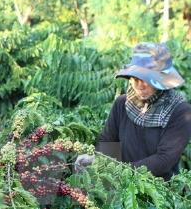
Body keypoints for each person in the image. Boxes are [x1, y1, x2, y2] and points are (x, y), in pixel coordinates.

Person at [75, 42, 191, 180]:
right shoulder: (122, 104)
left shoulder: (180, 111)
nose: (139, 86)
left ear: (161, 79)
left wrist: (123, 171)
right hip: (119, 183)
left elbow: (164, 160)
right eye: (135, 78)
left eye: (147, 79)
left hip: (159, 189)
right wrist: (97, 160)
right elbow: (109, 141)